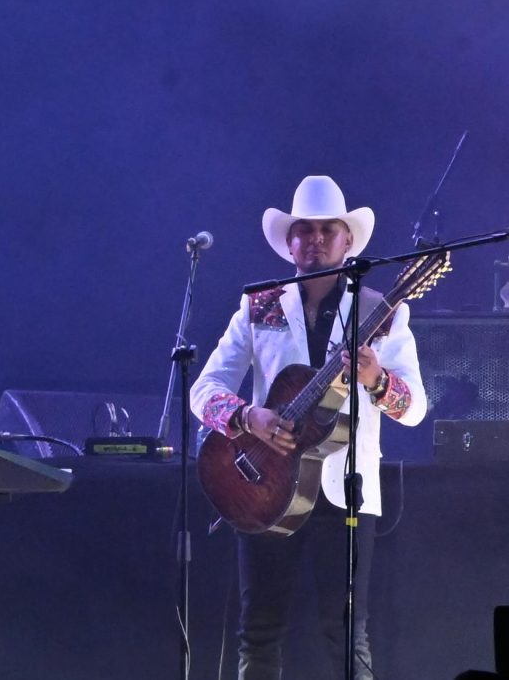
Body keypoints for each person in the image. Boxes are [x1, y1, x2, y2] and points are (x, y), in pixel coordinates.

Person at [192, 176, 428, 679]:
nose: (316, 239)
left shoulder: (382, 312)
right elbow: (204, 389)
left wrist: (378, 379)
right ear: (290, 242)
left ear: (348, 240)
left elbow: (415, 409)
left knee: (346, 631)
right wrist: (248, 417)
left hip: (347, 491)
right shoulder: (259, 305)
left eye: (327, 230)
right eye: (305, 230)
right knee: (259, 629)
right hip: (262, 482)